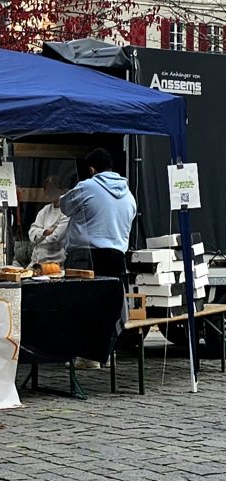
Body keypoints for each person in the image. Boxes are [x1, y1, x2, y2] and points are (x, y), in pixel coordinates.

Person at [60, 148, 136, 370]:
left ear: (92, 169)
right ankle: (104, 351)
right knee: (108, 307)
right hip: (116, 256)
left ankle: (85, 354)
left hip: (86, 255)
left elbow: (65, 207)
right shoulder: (128, 195)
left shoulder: (88, 186)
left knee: (80, 305)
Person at [28, 175, 69, 267]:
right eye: (46, 189)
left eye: (52, 189)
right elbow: (32, 232)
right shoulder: (45, 210)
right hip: (36, 262)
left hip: (55, 264)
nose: (48, 192)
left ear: (61, 190)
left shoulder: (66, 212)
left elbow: (55, 238)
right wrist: (45, 232)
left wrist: (38, 239)